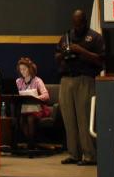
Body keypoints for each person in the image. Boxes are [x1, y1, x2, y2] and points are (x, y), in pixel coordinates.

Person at [55, 9, 104, 166]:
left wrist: (80, 51)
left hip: (85, 79)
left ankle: (89, 155)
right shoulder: (66, 36)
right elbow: (56, 56)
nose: (77, 27)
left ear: (85, 22)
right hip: (66, 80)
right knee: (69, 119)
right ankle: (73, 154)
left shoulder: (95, 37)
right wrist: (64, 53)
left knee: (85, 119)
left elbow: (101, 60)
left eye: (80, 23)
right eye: (74, 24)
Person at [15, 57, 52, 150]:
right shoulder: (18, 81)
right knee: (21, 118)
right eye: (21, 69)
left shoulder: (37, 80)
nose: (22, 71)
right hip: (24, 108)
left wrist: (35, 97)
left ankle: (31, 145)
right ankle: (31, 142)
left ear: (30, 69)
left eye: (24, 69)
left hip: (37, 108)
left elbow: (46, 95)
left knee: (30, 118)